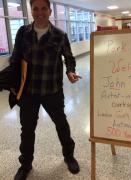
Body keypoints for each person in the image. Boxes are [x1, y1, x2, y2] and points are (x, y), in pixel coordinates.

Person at [9, 0, 81, 179]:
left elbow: (69, 58)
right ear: (31, 11)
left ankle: (69, 156)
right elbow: (16, 57)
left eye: (43, 9)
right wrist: (12, 82)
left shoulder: (60, 35)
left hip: (52, 90)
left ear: (50, 11)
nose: (39, 12)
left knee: (61, 125)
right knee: (27, 130)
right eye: (35, 9)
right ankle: (25, 164)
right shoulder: (23, 32)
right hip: (28, 93)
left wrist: (70, 71)